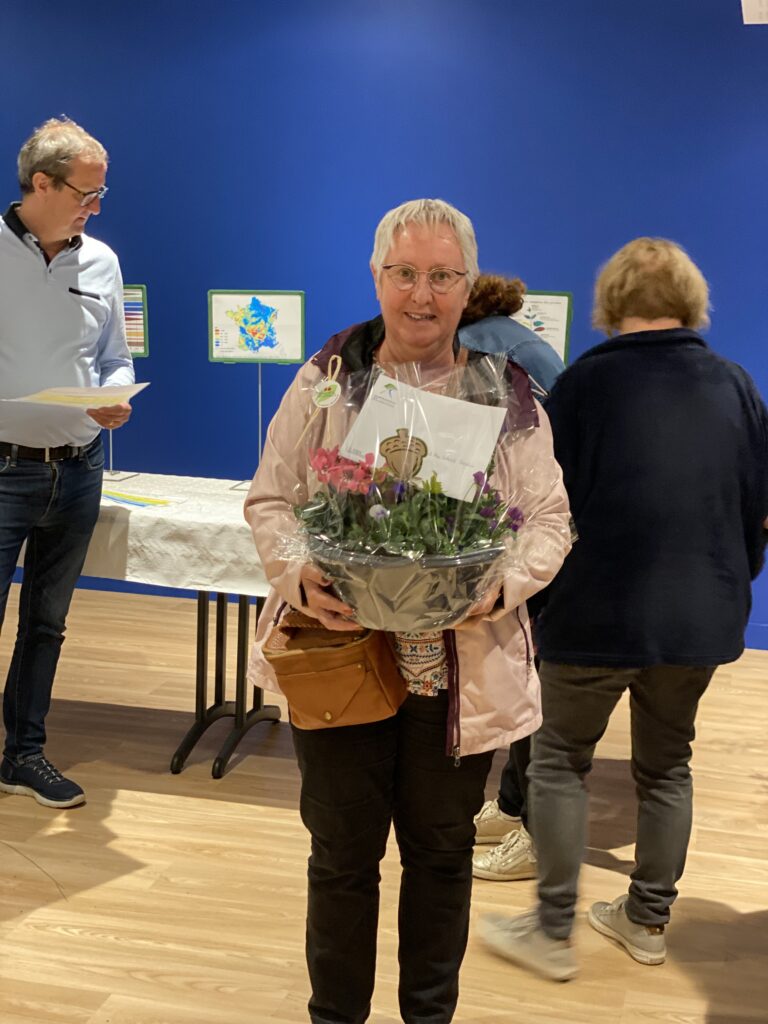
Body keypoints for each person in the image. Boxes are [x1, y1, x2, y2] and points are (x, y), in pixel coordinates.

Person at [244, 198, 572, 1024]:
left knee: (441, 858)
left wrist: (501, 584)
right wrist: (298, 576)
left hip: (457, 682)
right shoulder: (328, 377)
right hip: (340, 666)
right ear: (376, 276)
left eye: (442, 277)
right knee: (341, 860)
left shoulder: (505, 392)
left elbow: (551, 519)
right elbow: (271, 499)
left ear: (469, 285)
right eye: (404, 274)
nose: (421, 295)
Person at [478, 237, 768, 982]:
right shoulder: (736, 386)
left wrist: (532, 599)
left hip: (594, 614)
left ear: (610, 301)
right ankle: (646, 920)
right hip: (700, 617)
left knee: (558, 762)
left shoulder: (583, 385)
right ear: (691, 299)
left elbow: (542, 508)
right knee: (668, 767)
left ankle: (551, 929)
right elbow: (757, 510)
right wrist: (729, 586)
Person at [0, 117, 134, 810]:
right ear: (41, 184)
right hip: (3, 470)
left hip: (79, 469)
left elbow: (115, 356)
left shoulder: (103, 262)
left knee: (46, 624)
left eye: (101, 194)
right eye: (87, 193)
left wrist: (116, 395)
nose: (96, 207)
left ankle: (23, 755)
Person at [458, 273, 566, 883]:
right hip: (550, 527)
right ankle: (510, 805)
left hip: (518, 534)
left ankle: (526, 823)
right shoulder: (526, 343)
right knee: (531, 666)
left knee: (522, 673)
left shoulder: (476, 348)